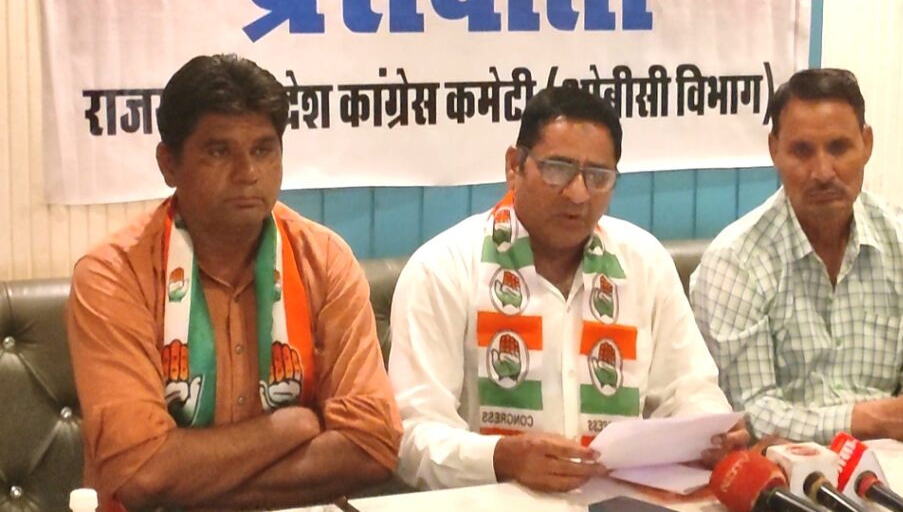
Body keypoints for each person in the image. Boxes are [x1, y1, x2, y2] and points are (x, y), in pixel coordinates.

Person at [65, 54, 402, 510]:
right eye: (219, 151)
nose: (248, 174)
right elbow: (141, 473)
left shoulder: (323, 260)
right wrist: (292, 428)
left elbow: (372, 445)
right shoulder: (113, 275)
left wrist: (196, 483)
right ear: (168, 163)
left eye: (263, 150)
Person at [387, 86, 747, 492]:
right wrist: (501, 457)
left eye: (598, 177)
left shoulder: (643, 262)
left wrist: (711, 434)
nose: (578, 194)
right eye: (558, 169)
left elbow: (691, 390)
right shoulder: (444, 268)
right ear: (514, 166)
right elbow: (411, 438)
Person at [690, 68, 903, 450]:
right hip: (788, 470)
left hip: (901, 461)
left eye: (838, 148)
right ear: (774, 150)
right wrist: (878, 418)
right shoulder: (735, 261)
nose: (822, 172)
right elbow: (750, 414)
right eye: (802, 151)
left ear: (866, 144)